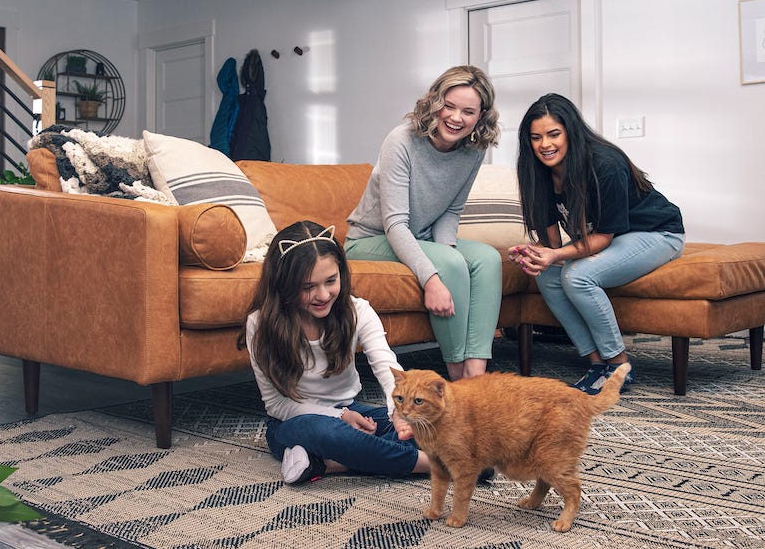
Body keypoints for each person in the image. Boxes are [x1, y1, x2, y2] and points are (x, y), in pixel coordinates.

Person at [508, 93, 685, 394]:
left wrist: (555, 254)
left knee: (577, 276)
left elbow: (603, 237)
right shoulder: (537, 172)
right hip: (613, 240)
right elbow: (551, 243)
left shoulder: (604, 163)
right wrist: (538, 255)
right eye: (536, 137)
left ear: (570, 132)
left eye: (554, 134)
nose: (545, 145)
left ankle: (619, 365)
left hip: (657, 233)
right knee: (549, 277)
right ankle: (596, 364)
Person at [345, 65, 503, 381]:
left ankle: (477, 375)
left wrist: (446, 255)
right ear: (434, 101)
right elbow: (394, 224)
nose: (456, 117)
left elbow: (450, 211)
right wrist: (434, 277)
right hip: (369, 240)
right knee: (450, 263)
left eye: (468, 111)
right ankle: (457, 378)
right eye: (449, 105)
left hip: (421, 237)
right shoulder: (401, 140)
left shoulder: (474, 149)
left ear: (481, 115)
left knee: (489, 259)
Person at [240, 220, 430, 484]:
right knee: (326, 433)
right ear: (284, 283)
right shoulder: (259, 325)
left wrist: (399, 411)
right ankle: (431, 464)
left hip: (353, 409)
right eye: (308, 287)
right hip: (296, 423)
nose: (323, 294)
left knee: (426, 423)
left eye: (331, 281)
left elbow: (387, 367)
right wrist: (339, 416)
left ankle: (326, 464)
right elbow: (276, 404)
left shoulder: (358, 311)